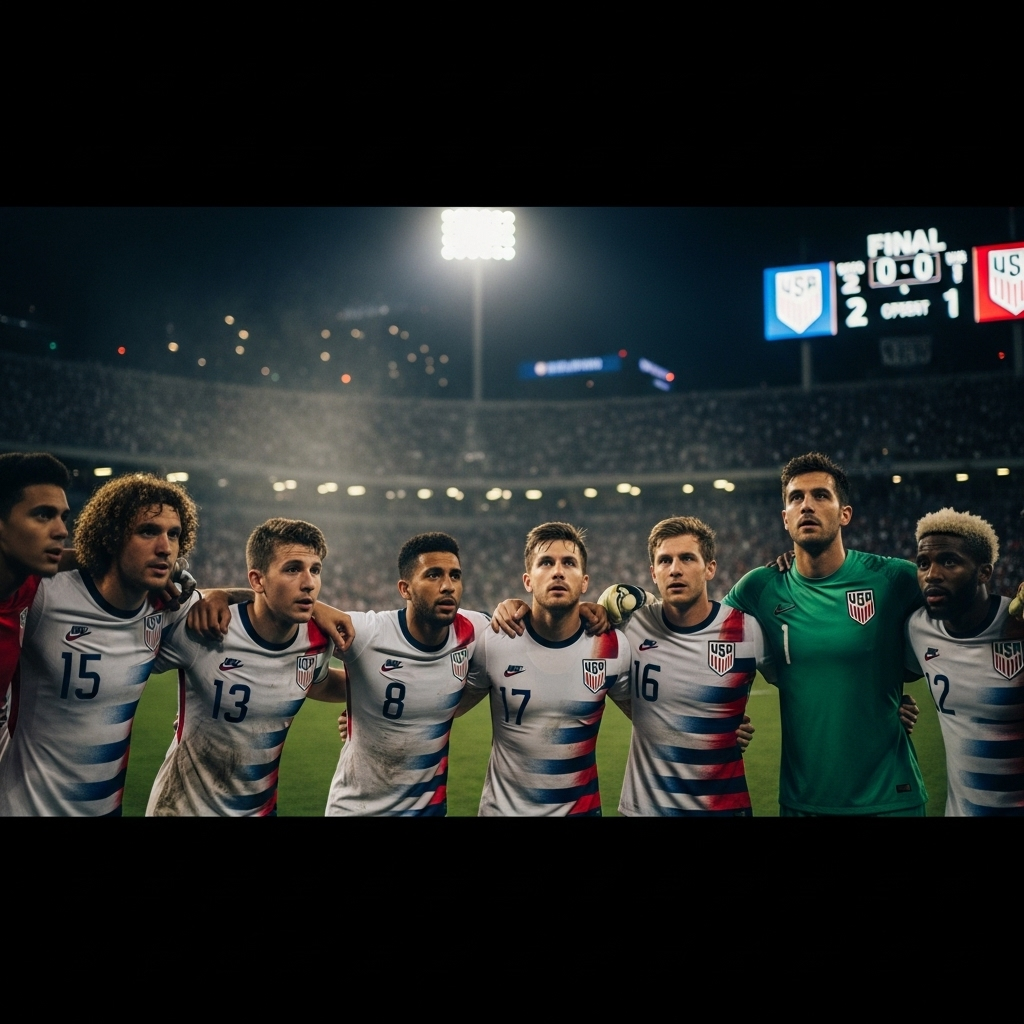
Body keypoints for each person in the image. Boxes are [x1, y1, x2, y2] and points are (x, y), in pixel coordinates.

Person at [0, 472, 244, 816]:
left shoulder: (169, 609)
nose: (165, 547)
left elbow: (266, 608)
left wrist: (221, 593)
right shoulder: (46, 592)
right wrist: (75, 555)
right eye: (148, 531)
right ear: (111, 537)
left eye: (173, 534)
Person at [723, 451, 928, 816]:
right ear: (785, 518)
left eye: (821, 495)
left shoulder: (893, 579)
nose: (807, 506)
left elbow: (963, 613)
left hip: (890, 797)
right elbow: (700, 638)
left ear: (844, 513)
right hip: (804, 800)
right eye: (796, 498)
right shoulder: (760, 588)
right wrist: (719, 719)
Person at [146, 518, 346, 816]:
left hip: (259, 809)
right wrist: (217, 594)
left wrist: (367, 706)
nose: (309, 582)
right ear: (257, 580)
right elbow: (130, 653)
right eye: (293, 569)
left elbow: (318, 683)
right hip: (182, 808)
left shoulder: (317, 639)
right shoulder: (207, 626)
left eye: (315, 570)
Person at [595, 516, 772, 816]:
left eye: (687, 558)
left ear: (710, 568)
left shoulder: (747, 630)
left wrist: (722, 724)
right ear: (653, 572)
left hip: (724, 808)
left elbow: (798, 685)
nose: (674, 569)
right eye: (664, 561)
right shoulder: (631, 627)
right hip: (645, 810)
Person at [459, 522, 632, 817]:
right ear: (528, 581)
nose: (558, 571)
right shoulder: (497, 640)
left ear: (584, 581)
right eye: (546, 563)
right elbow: (442, 707)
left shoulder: (612, 646)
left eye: (569, 563)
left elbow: (655, 717)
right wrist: (367, 715)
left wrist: (727, 724)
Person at [324, 532, 490, 817]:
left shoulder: (477, 630)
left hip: (429, 810)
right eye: (434, 575)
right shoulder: (367, 632)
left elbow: (537, 625)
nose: (448, 586)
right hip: (356, 809)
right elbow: (277, 613)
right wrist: (224, 595)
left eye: (455, 575)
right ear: (405, 588)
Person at [904, 508, 1024, 816]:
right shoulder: (919, 628)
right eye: (923, 563)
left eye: (949, 561)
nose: (931, 574)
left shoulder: (1018, 624)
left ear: (984, 572)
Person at [0, 453, 72, 761]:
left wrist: (222, 594)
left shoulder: (25, 584)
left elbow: (82, 557)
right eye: (43, 515)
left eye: (62, 517)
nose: (61, 531)